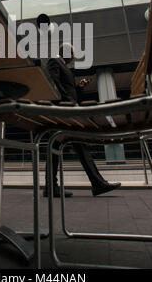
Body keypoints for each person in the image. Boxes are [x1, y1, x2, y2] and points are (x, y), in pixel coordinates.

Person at [44, 43, 121, 198]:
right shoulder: (55, 61)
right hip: (65, 111)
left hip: (69, 109)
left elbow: (68, 89)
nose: (73, 56)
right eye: (71, 52)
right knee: (74, 145)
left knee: (58, 147)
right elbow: (54, 83)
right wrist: (68, 103)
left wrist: (79, 87)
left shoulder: (65, 67)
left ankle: (52, 187)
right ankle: (97, 183)